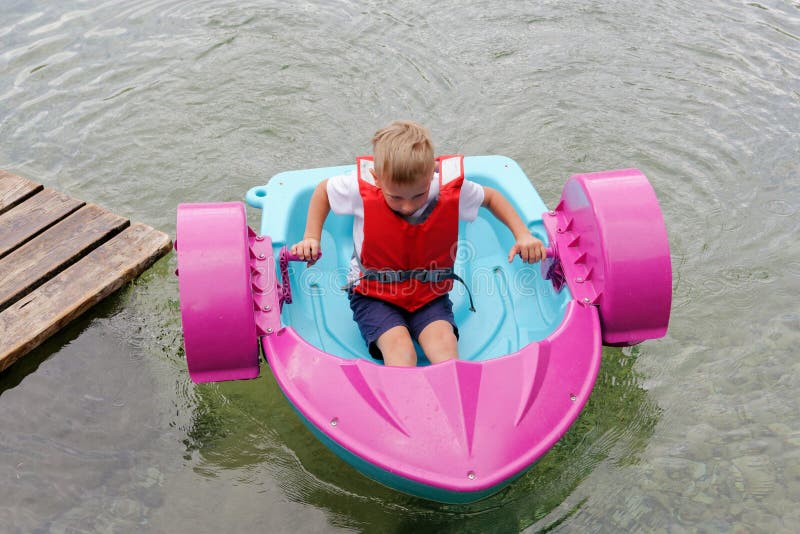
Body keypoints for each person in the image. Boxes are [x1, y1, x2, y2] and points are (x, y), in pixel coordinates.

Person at [291, 120, 546, 367]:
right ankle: (404, 405)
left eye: (418, 195)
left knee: (444, 346)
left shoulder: (440, 187)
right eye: (396, 197)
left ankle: (454, 402)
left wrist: (522, 234)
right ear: (377, 178)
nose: (408, 205)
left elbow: (490, 197)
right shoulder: (359, 189)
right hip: (373, 295)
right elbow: (324, 190)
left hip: (429, 293)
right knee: (401, 350)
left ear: (431, 173)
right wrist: (311, 236)